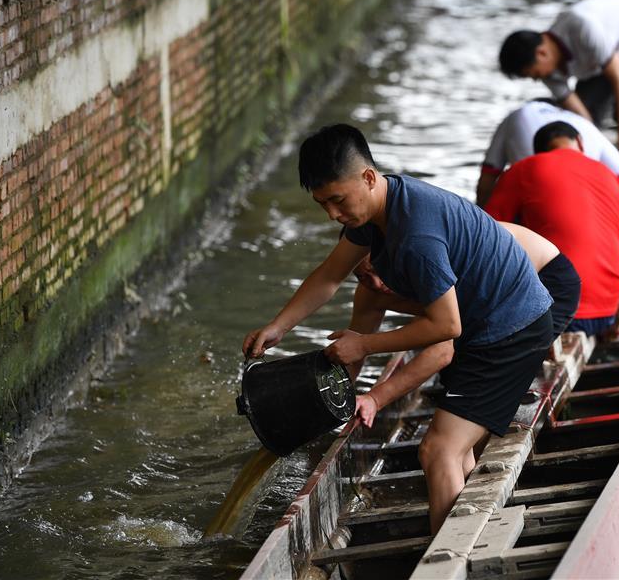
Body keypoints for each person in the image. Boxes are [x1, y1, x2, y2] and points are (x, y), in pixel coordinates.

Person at [243, 124, 580, 534]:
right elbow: (329, 275)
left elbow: (446, 325)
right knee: (457, 451)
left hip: (511, 329)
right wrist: (278, 327)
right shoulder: (378, 209)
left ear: (368, 177)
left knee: (438, 450)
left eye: (337, 200)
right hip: (486, 323)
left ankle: (447, 557)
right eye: (323, 204)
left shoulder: (417, 237)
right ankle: (464, 532)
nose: (332, 214)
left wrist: (365, 345)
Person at [484, 122, 619, 339]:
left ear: (538, 151)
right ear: (580, 142)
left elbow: (484, 244)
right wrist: (616, 322)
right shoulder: (611, 176)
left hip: (555, 311)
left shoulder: (522, 170)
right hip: (606, 313)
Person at [498, 0, 619, 178]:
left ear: (541, 53)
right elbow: (582, 116)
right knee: (579, 120)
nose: (538, 79)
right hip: (602, 56)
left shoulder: (584, 29)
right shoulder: (547, 72)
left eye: (535, 74)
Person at [476, 99, 619, 224]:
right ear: (579, 142)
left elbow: (486, 183)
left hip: (539, 216)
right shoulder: (584, 125)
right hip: (594, 214)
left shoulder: (515, 117)